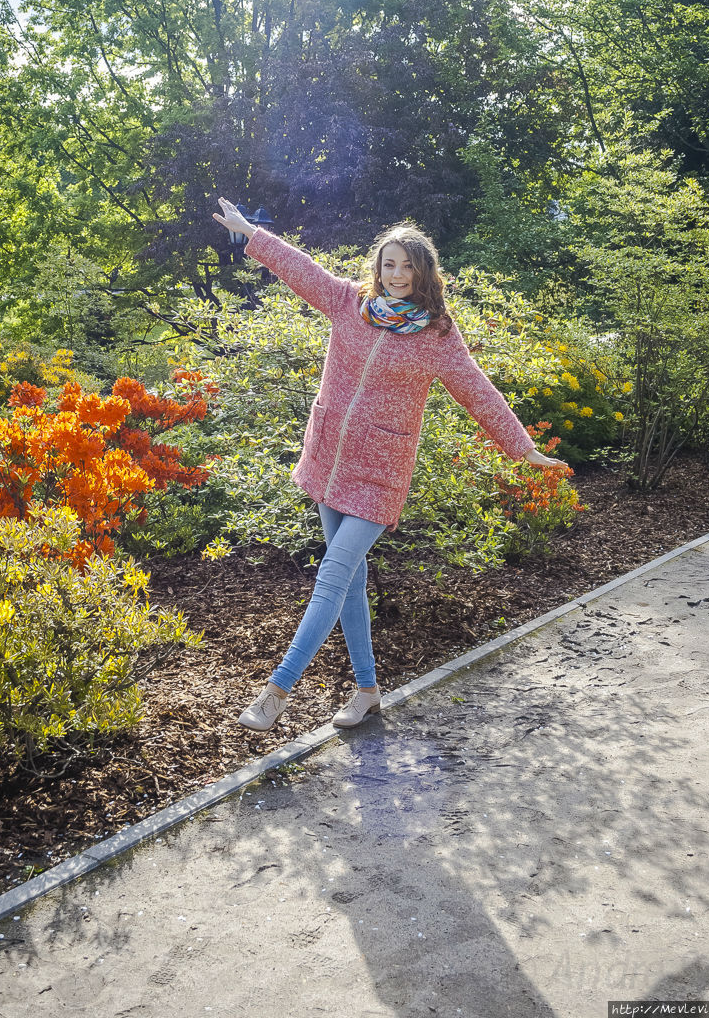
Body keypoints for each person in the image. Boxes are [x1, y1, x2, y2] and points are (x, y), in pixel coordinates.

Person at [213, 198, 566, 733]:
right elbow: (300, 268)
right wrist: (249, 234)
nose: (396, 275)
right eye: (388, 264)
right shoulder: (348, 304)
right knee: (349, 584)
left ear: (425, 273)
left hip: (380, 474)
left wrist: (521, 448)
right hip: (331, 459)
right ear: (377, 268)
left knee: (331, 577)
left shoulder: (438, 337)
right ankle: (367, 691)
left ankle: (275, 692)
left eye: (407, 266)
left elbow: (479, 394)